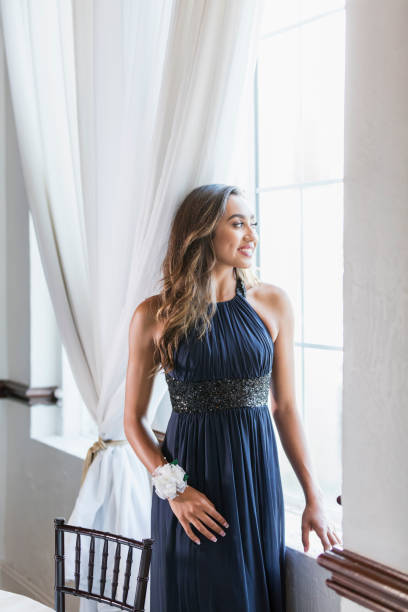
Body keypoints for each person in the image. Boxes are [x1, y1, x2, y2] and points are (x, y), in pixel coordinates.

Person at [124, 184, 342, 611]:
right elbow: (132, 420)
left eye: (253, 224)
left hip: (256, 479)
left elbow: (285, 407)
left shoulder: (273, 304)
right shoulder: (154, 315)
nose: (251, 236)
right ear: (202, 232)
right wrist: (176, 491)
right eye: (238, 223)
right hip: (191, 484)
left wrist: (313, 496)